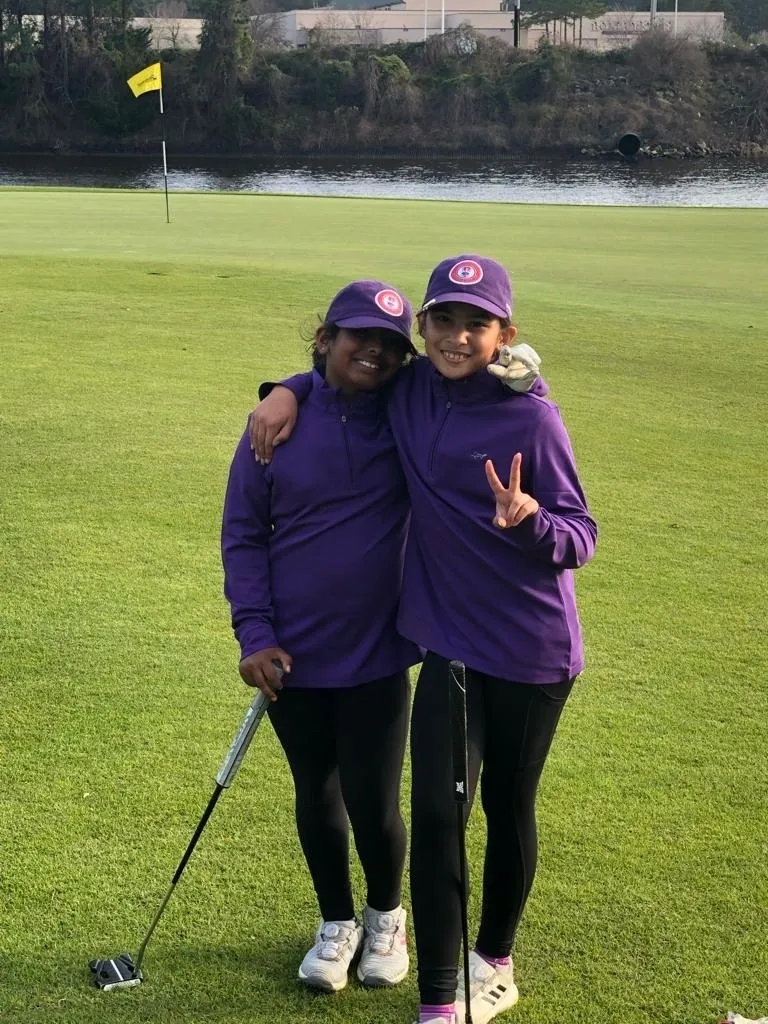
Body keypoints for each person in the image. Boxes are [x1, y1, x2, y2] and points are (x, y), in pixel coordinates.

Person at [249, 255, 597, 1024]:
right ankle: (440, 996)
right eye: (444, 320)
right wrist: (281, 389)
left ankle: (493, 963)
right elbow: (344, 375)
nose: (458, 336)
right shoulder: (408, 392)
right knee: (439, 813)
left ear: (503, 333)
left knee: (507, 806)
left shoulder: (533, 416)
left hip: (534, 650)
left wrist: (532, 520)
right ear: (424, 329)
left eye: (477, 323)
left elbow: (582, 536)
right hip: (448, 646)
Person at [221, 280, 421, 995]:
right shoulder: (273, 427)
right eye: (359, 336)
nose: (374, 351)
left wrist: (290, 384)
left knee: (374, 798)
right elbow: (243, 535)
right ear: (325, 339)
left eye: (392, 344)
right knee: (318, 790)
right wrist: (254, 635)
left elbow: (486, 375)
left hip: (376, 650)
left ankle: (385, 917)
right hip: (292, 653)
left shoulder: (409, 413)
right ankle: (336, 923)